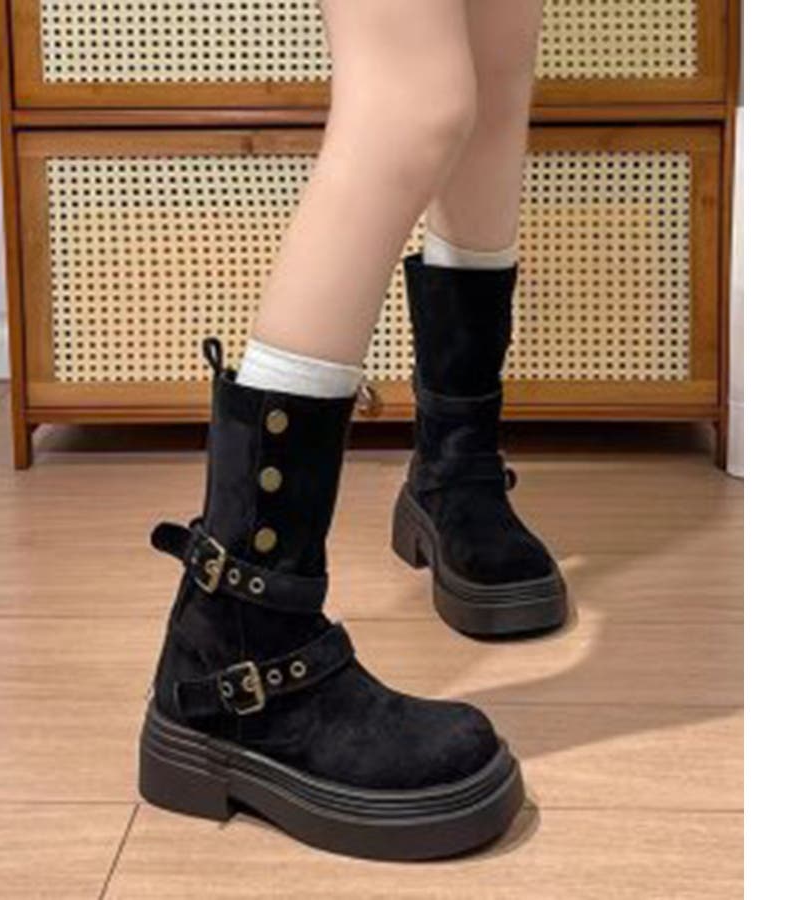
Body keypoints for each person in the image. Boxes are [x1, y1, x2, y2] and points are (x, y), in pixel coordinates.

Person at [139, 0, 565, 859]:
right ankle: (239, 641)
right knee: (414, 104)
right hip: (245, 661)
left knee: (495, 81)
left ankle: (455, 472)